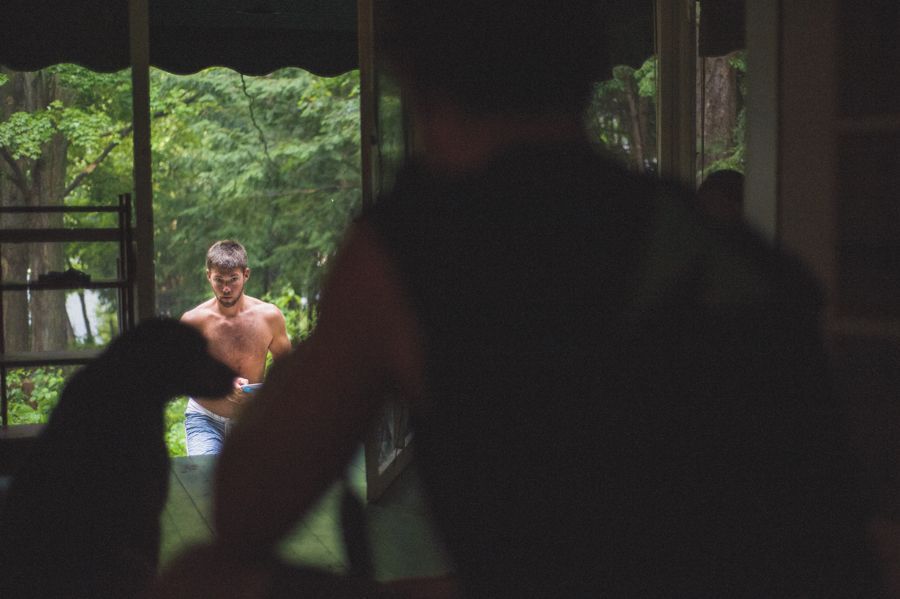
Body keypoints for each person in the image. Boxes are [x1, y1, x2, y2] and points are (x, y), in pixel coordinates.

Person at [153, 2, 870, 597]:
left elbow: (243, 508)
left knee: (202, 579)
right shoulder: (707, 236)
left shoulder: (426, 242)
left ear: (408, 67)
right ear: (586, 64)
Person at [180, 240, 291, 456]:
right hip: (204, 418)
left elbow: (288, 371)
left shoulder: (269, 317)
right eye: (219, 280)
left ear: (246, 275)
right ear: (208, 276)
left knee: (257, 484)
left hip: (252, 420)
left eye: (233, 279)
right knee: (206, 483)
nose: (226, 288)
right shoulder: (193, 321)